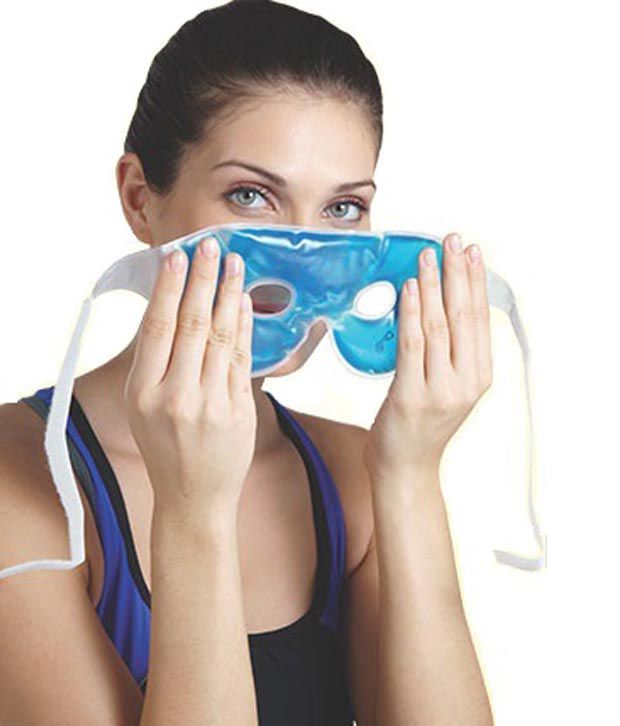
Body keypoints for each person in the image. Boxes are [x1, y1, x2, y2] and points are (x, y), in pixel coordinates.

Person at [0, 1, 495, 724]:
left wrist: (412, 474)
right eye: (252, 196)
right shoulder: (18, 487)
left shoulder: (354, 476)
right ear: (140, 199)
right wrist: (195, 507)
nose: (304, 253)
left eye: (342, 209)